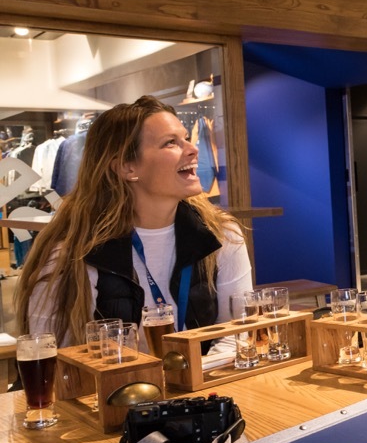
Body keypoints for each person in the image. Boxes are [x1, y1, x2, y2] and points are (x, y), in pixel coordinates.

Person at [18, 95, 253, 350]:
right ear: (127, 168)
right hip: (113, 390)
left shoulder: (222, 234)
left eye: (186, 137)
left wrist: (188, 380)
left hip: (206, 387)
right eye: (170, 143)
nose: (193, 149)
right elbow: (52, 358)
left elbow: (238, 332)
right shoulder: (69, 255)